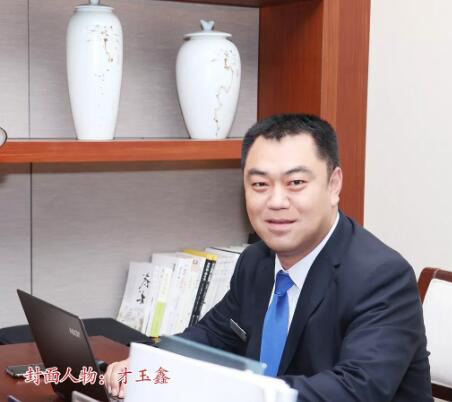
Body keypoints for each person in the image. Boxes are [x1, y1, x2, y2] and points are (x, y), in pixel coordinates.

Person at [105, 114, 432, 401]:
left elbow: (356, 389)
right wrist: (149, 363)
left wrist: (237, 391)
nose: (276, 201)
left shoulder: (381, 276)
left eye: (296, 183)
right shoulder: (256, 262)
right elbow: (212, 336)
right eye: (260, 184)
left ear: (333, 186)